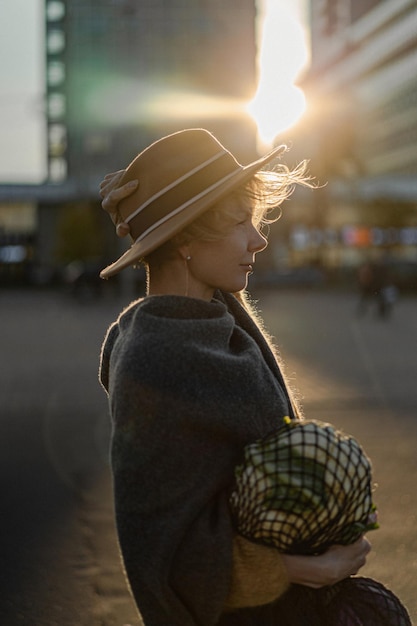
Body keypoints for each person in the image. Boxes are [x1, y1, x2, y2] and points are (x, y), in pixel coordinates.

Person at [98, 128, 371, 626]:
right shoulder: (157, 358)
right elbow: (162, 556)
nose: (259, 238)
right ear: (182, 238)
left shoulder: (214, 319)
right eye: (240, 221)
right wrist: (307, 570)